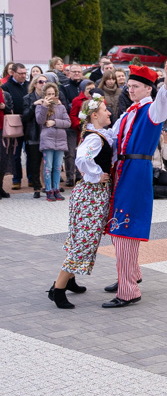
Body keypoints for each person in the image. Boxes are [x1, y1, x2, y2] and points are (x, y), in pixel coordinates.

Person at [102, 64, 167, 308]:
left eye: (135, 86)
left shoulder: (151, 110)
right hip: (123, 169)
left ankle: (129, 290)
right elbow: (113, 137)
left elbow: (164, 102)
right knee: (119, 223)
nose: (130, 89)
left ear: (148, 89)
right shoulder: (129, 112)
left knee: (125, 226)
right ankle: (130, 274)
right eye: (129, 86)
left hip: (136, 170)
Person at [45, 95, 115, 308]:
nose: (109, 112)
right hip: (91, 194)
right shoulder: (95, 137)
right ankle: (58, 289)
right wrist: (95, 175)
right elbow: (82, 158)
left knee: (80, 237)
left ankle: (70, 280)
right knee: (83, 241)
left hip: (90, 194)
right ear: (95, 115)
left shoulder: (99, 133)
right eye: (105, 110)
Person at [35, 83, 71, 201]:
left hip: (60, 140)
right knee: (47, 167)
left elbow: (68, 123)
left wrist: (54, 122)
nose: (51, 96)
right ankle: (48, 190)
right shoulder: (40, 106)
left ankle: (56, 189)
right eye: (48, 94)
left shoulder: (61, 107)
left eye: (53, 94)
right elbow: (40, 120)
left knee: (57, 167)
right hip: (47, 140)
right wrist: (44, 106)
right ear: (44, 95)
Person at [2, 63, 28, 190]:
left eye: (25, 73)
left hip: (29, 123)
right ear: (13, 73)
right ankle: (16, 179)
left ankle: (32, 179)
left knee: (31, 153)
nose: (23, 76)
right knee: (16, 153)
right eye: (21, 74)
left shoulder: (29, 85)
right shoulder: (6, 86)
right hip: (14, 124)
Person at [21, 75, 47, 197]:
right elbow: (25, 117)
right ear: (35, 84)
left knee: (49, 163)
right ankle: (37, 188)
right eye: (41, 81)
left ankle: (49, 187)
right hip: (33, 134)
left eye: (46, 82)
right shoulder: (28, 98)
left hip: (48, 134)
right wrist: (34, 105)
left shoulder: (50, 96)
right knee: (34, 162)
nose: (43, 84)